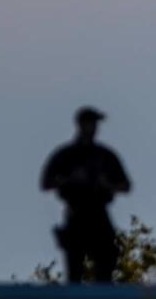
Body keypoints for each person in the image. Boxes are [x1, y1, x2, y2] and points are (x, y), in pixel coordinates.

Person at [41, 107, 131, 283]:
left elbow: (125, 185)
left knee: (105, 265)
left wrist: (107, 185)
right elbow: (46, 183)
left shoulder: (104, 155)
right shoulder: (66, 155)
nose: (94, 128)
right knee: (75, 269)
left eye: (95, 124)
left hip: (99, 214)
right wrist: (69, 180)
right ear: (82, 125)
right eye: (91, 123)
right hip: (76, 214)